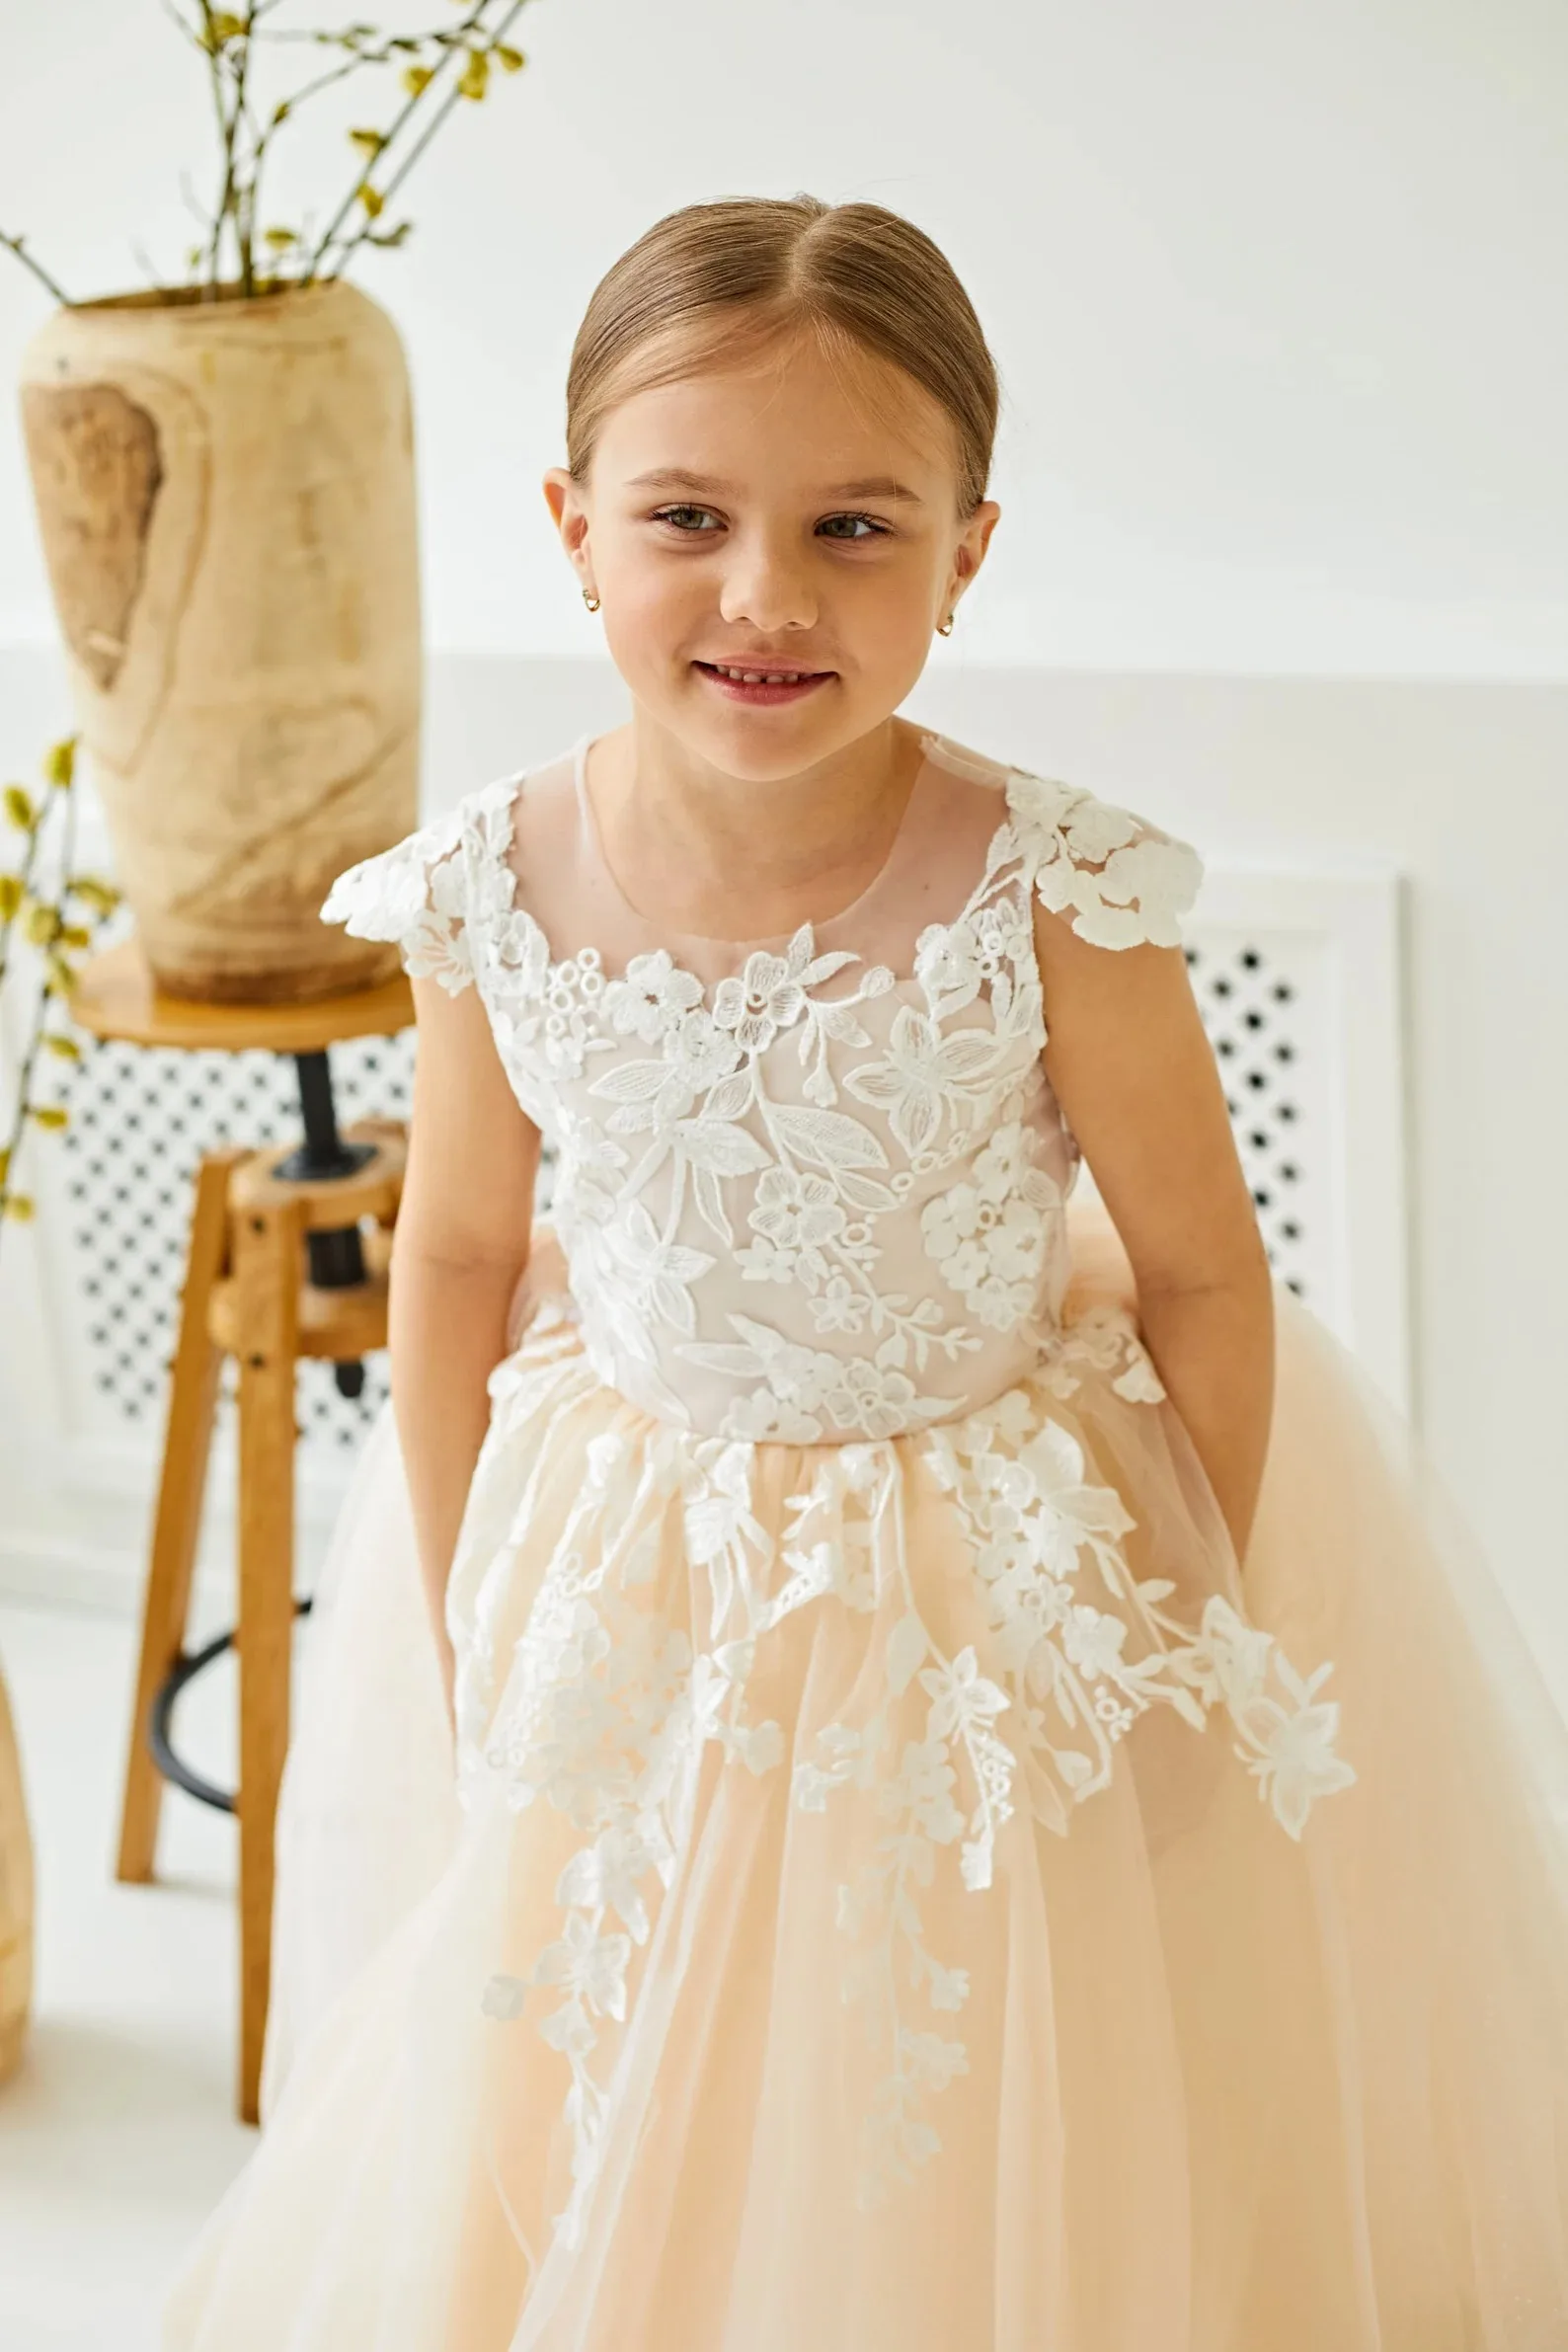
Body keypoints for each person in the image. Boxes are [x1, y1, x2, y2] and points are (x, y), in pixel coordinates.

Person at [164, 194, 1568, 2351]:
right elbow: (452, 1250)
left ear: (964, 554)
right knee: (628, 2025)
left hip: (987, 1584)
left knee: (987, 2051)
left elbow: (1199, 1271)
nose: (760, 595)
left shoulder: (1058, 890)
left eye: (850, 528)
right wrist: (467, 1602)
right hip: (640, 1559)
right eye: (686, 516)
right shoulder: (484, 887)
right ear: (570, 526)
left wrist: (1215, 1604)